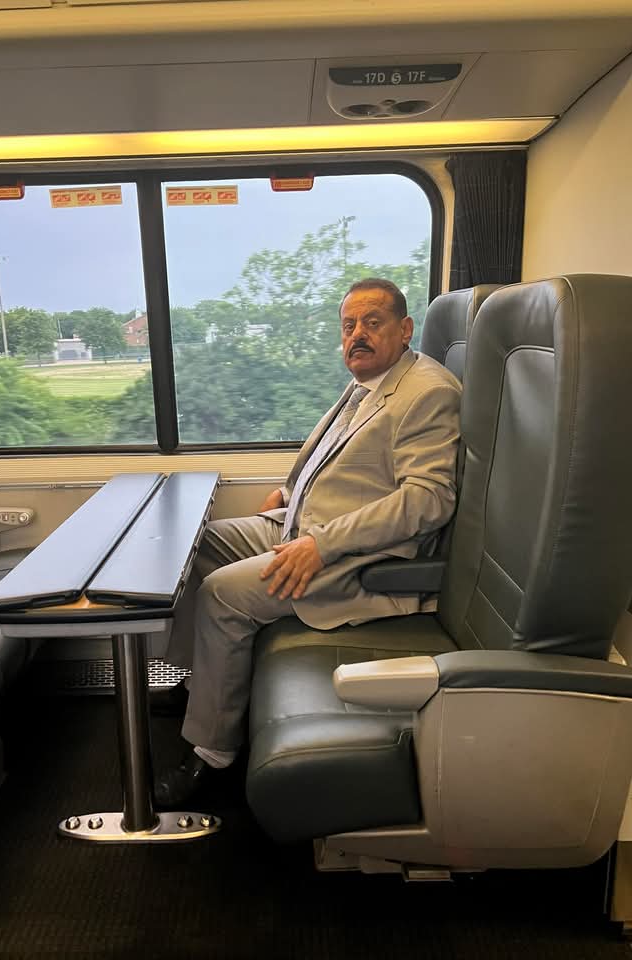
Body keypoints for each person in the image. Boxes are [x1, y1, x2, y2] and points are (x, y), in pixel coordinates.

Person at [154, 277, 462, 806]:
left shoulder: (427, 392)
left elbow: (427, 498)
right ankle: (201, 685)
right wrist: (287, 493)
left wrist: (320, 544)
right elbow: (347, 467)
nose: (357, 335)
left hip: (354, 557)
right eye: (349, 325)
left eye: (373, 322)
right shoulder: (373, 381)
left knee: (223, 594)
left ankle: (213, 753)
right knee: (195, 548)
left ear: (405, 329)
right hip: (297, 524)